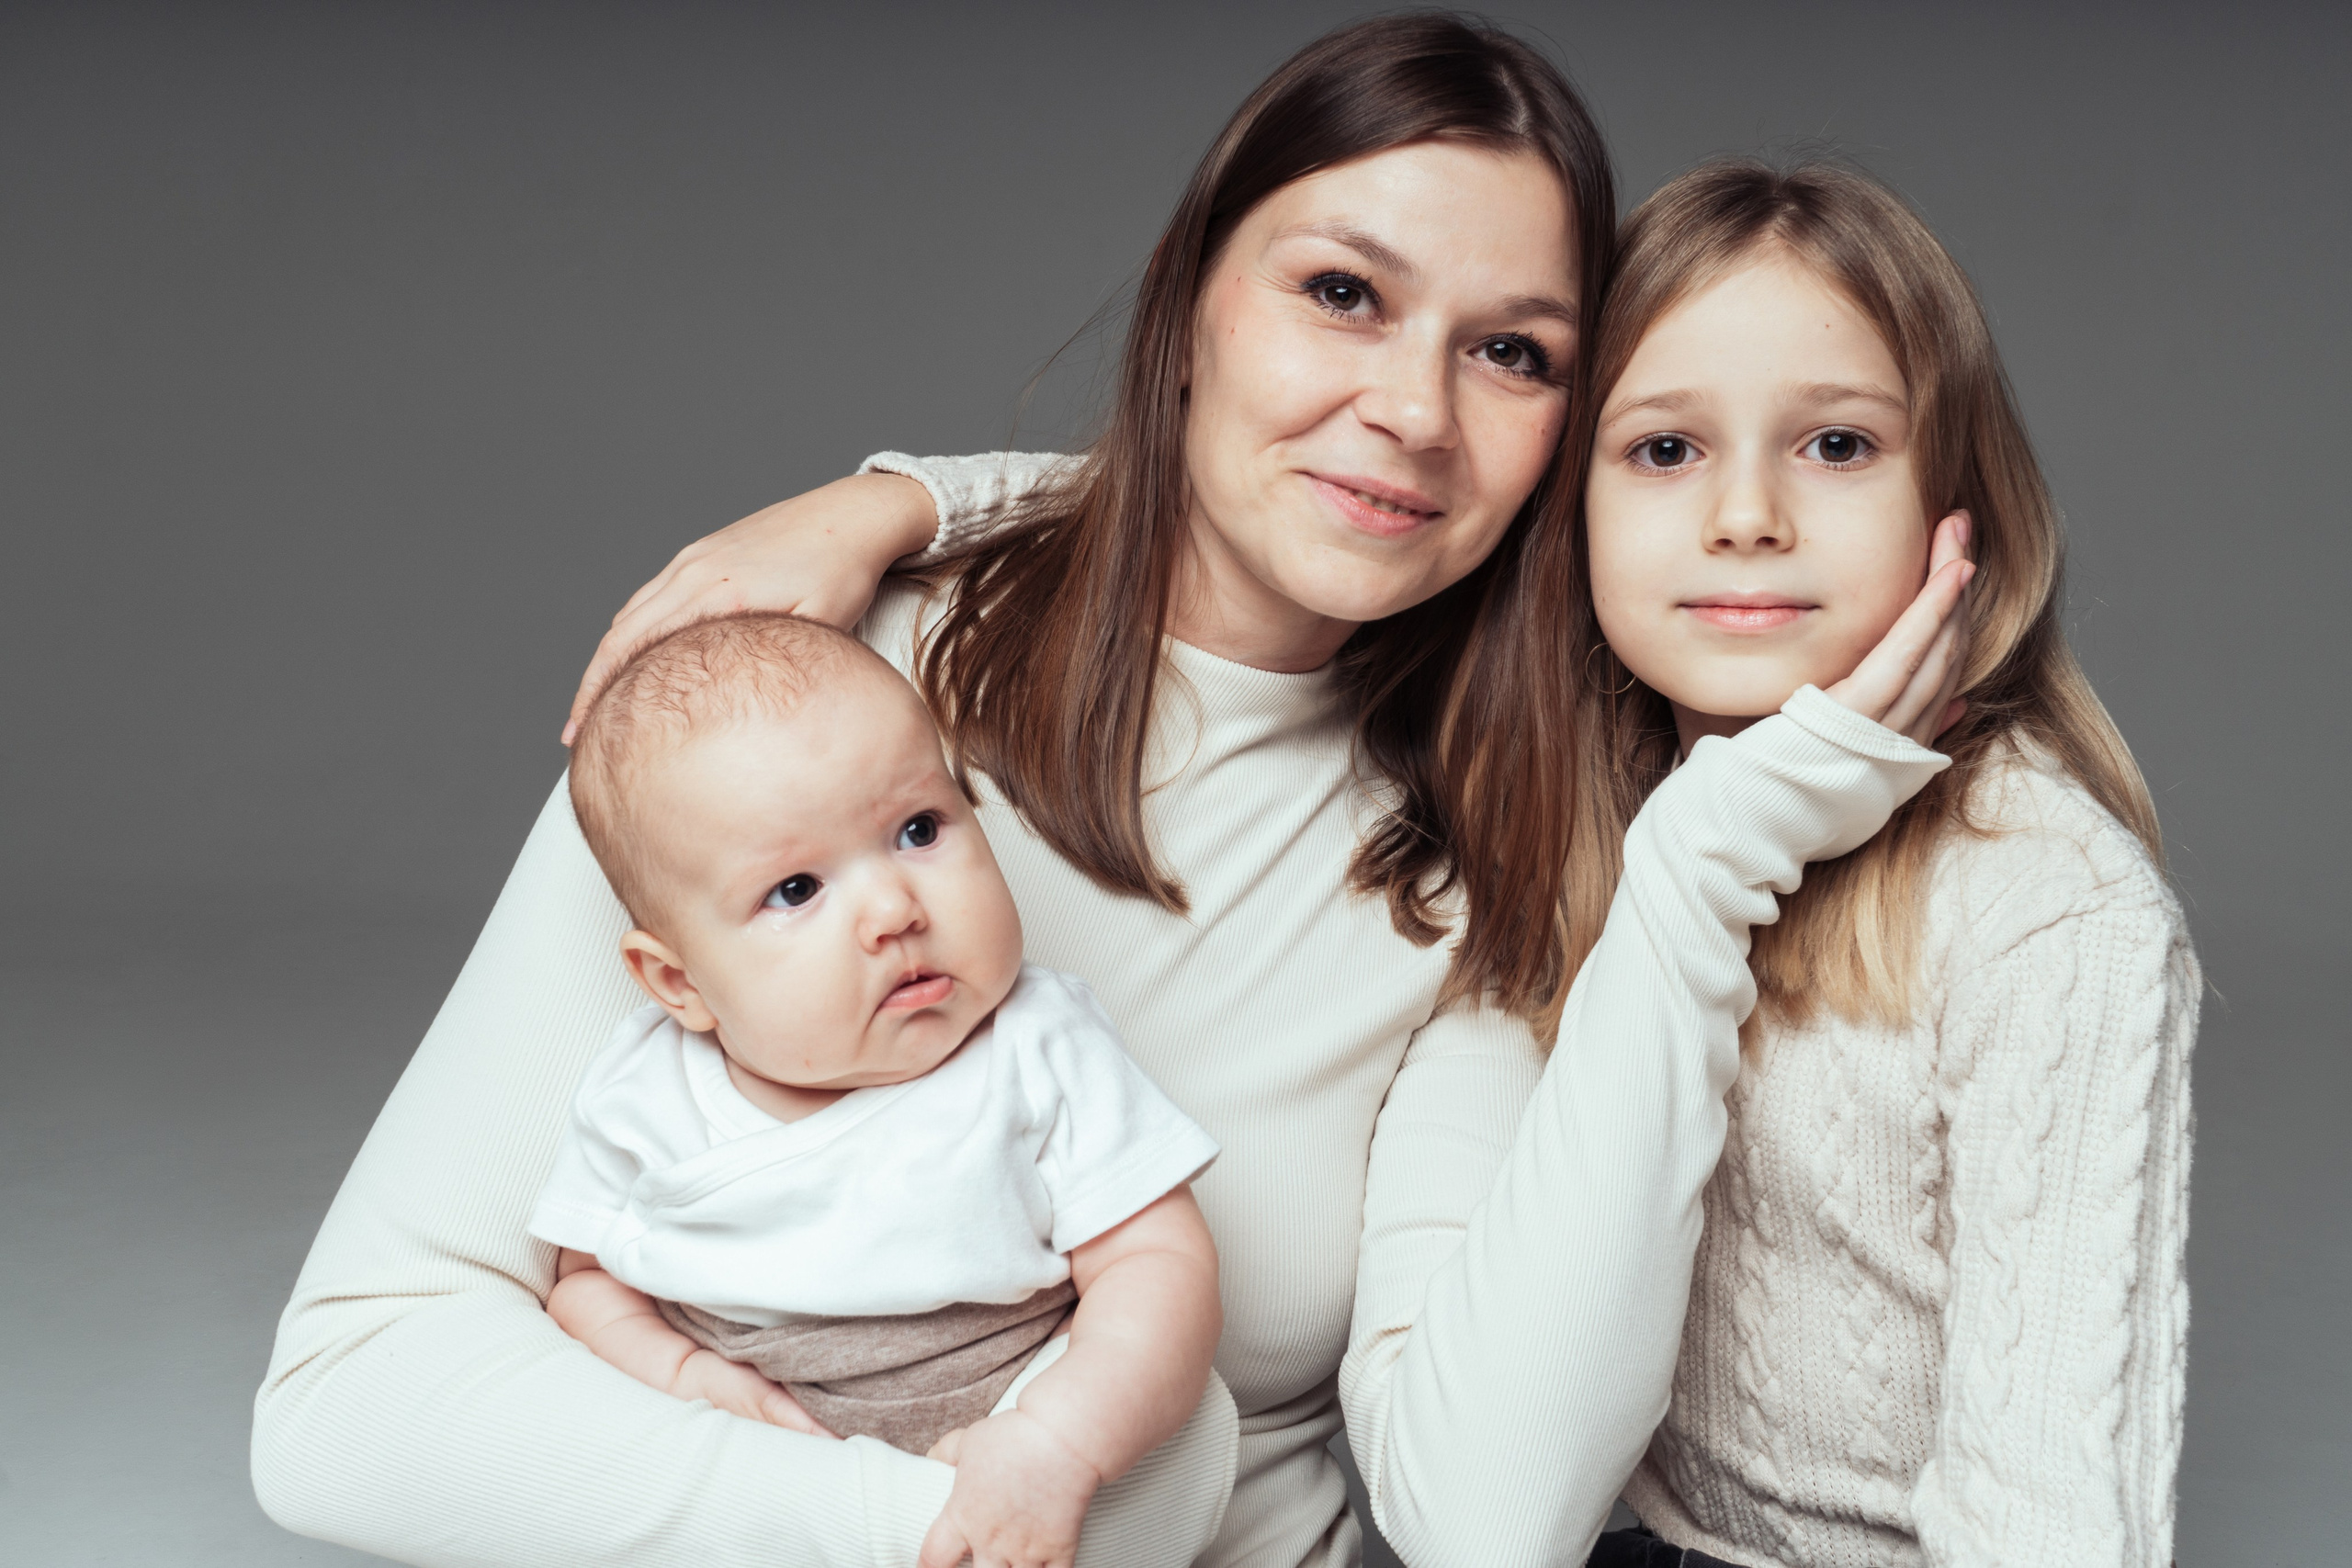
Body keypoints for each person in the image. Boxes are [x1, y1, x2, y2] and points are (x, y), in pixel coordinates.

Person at [254, 17, 1968, 1567]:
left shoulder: (1495, 844)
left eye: (1512, 353)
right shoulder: (811, 695)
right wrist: (956, 1522)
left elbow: (1496, 1521)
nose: (1411, 413)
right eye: (1343, 294)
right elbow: (350, 1399)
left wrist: (1713, 856)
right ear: (1190, 307)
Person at [1564, 162, 2197, 1568]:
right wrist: (946, 500)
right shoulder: (1587, 814)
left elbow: (2052, 1512)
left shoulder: (2047, 906)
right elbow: (1210, 541)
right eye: (1665, 449)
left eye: (1836, 445)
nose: (1746, 516)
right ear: (1572, 505)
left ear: (1954, 504)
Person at [539, 611, 1223, 1568]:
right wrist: (687, 1377)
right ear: (679, 984)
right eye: (795, 891)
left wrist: (1059, 1440)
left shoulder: (1035, 1043)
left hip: (1015, 1447)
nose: (895, 911)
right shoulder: (646, 1094)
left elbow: (1160, 1266)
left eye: (918, 829)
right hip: (769, 1487)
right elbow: (585, 1287)